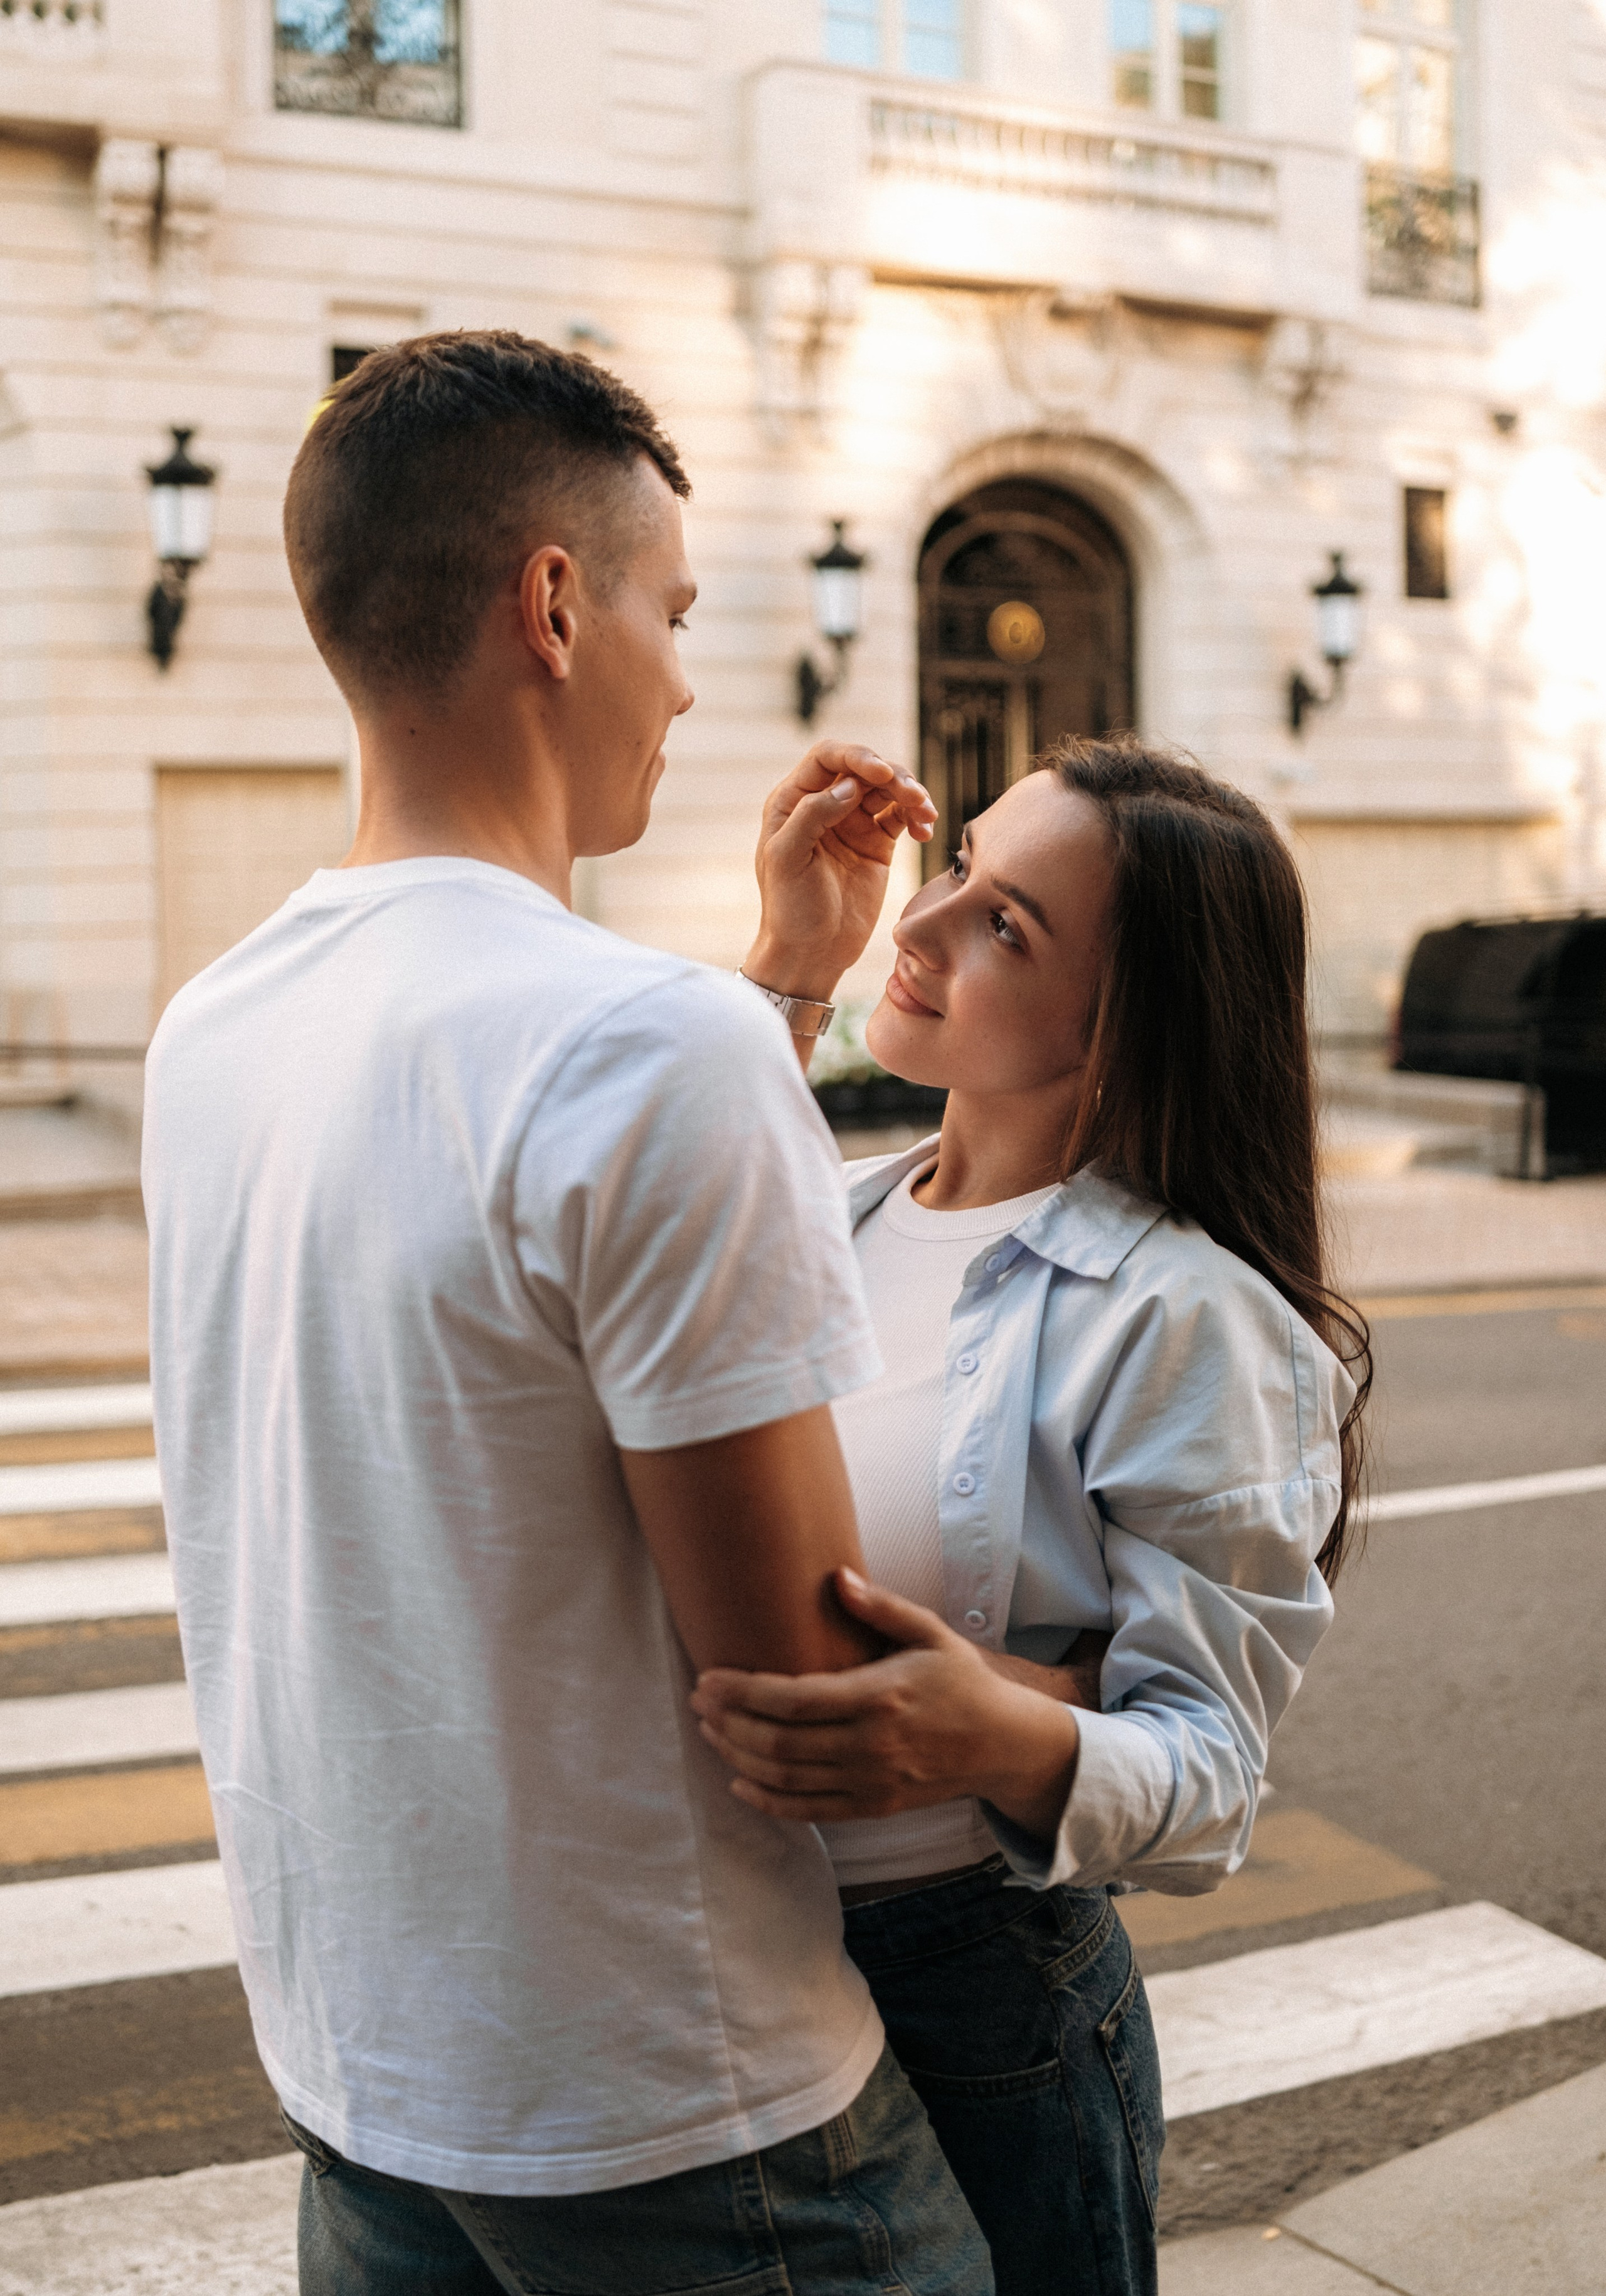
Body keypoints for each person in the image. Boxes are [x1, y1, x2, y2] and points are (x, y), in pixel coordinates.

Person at [141, 331, 994, 2296]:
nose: (690, 678)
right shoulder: (641, 1040)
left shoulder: (216, 1021)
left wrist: (777, 983)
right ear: (551, 601)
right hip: (686, 2113)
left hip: (369, 2089)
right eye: (671, 612)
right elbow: (797, 1672)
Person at [693, 735, 1373, 2295]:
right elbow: (652, 1192)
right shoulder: (839, 1209)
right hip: (727, 1967)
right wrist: (792, 962)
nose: (918, 931)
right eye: (958, 866)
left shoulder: (1185, 1315)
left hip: (973, 2001)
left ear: (1126, 1025)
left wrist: (981, 1734)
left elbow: (1207, 1772)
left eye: (1005, 927)